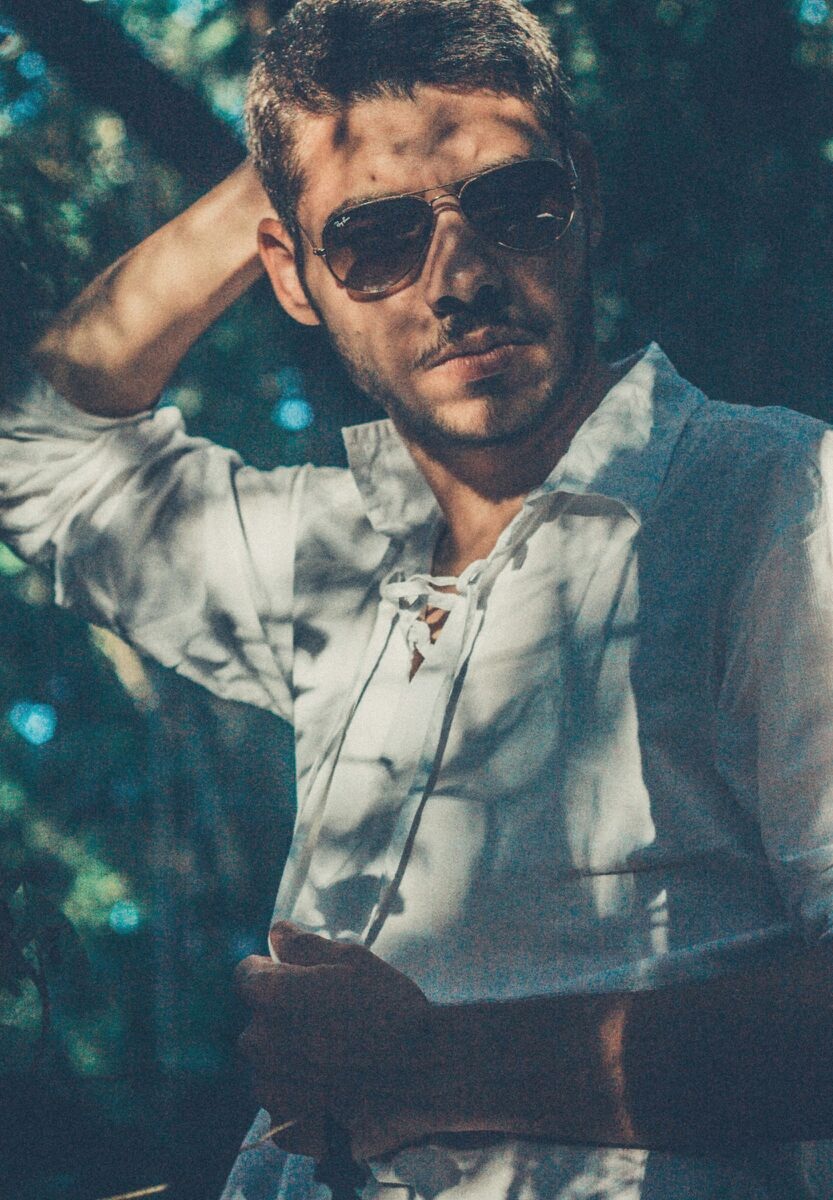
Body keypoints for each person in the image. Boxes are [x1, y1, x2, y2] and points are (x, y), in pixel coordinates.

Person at [3, 0, 833, 1197]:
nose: (460, 277)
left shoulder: (770, 500)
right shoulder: (330, 554)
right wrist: (294, 156)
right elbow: (37, 453)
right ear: (291, 273)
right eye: (374, 238)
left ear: (583, 196)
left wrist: (429, 1066)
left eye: (512, 202)